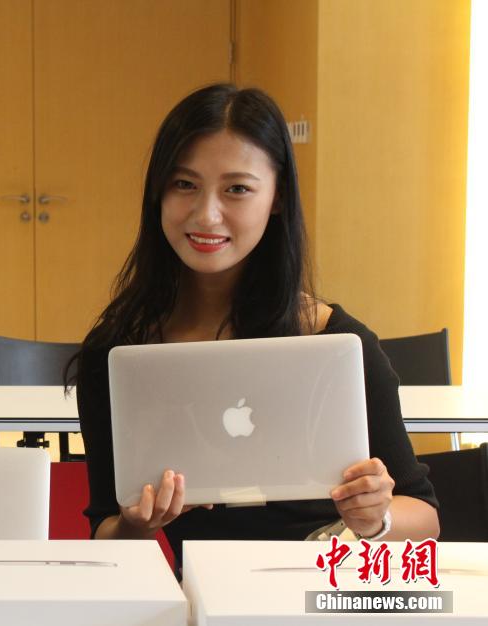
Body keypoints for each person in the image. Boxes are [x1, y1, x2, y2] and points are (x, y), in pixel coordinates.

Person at [73, 84, 439, 567]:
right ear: (157, 192)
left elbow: (425, 515)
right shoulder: (118, 353)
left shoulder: (332, 343)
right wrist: (139, 525)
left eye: (237, 189)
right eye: (184, 184)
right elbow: (106, 534)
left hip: (317, 588)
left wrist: (376, 517)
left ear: (277, 197)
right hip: (196, 593)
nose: (206, 214)